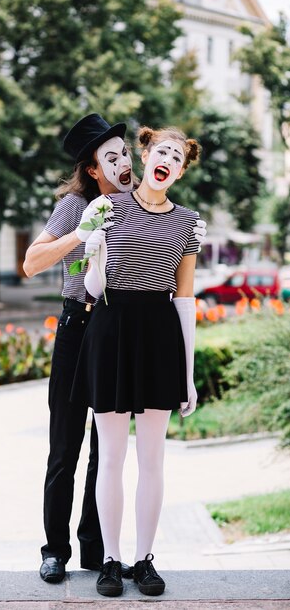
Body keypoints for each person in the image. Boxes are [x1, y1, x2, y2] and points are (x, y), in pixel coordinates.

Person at [23, 114, 206, 585]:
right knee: (66, 445)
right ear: (93, 169)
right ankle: (54, 551)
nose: (124, 162)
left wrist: (190, 237)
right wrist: (84, 235)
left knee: (108, 452)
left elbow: (175, 269)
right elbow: (31, 263)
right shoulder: (77, 206)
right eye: (113, 157)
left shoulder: (131, 205)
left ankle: (100, 551)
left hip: (121, 328)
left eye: (125, 152)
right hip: (78, 324)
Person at [70, 125, 203, 598]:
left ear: (182, 170)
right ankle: (110, 560)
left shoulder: (189, 223)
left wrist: (187, 375)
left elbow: (185, 299)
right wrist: (95, 247)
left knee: (153, 459)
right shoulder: (108, 207)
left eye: (177, 156)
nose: (167, 158)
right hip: (112, 327)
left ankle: (144, 560)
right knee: (111, 456)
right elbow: (91, 289)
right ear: (146, 155)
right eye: (160, 149)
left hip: (160, 332)